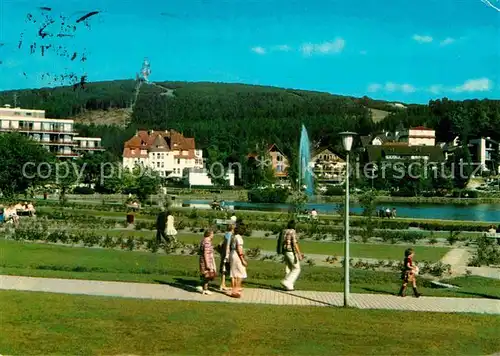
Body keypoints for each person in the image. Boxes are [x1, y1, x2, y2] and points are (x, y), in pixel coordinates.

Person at [280, 220, 303, 291]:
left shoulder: (285, 231)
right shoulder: (292, 232)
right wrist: (299, 253)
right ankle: (287, 281)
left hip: (285, 251)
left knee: (289, 268)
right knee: (297, 268)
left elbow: (282, 242)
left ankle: (289, 286)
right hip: (291, 252)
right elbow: (295, 243)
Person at [229, 224, 248, 298]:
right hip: (237, 255)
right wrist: (242, 259)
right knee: (241, 273)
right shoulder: (239, 238)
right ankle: (235, 291)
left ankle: (235, 289)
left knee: (234, 273)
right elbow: (239, 248)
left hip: (232, 254)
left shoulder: (234, 236)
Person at [196, 230, 217, 295]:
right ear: (209, 234)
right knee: (207, 275)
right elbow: (206, 253)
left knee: (205, 275)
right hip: (206, 261)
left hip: (203, 260)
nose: (213, 235)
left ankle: (203, 288)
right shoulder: (207, 241)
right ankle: (205, 289)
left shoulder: (204, 240)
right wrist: (208, 264)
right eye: (212, 233)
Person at [219, 224, 234, 291]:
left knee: (224, 269)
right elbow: (228, 244)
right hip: (227, 254)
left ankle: (223, 284)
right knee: (230, 268)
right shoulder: (230, 235)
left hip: (223, 253)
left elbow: (220, 244)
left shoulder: (226, 234)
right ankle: (232, 285)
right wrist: (227, 254)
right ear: (232, 229)